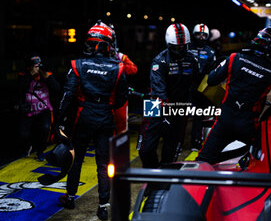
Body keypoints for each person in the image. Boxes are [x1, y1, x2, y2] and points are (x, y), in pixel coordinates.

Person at [56, 21, 128, 220]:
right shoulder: (119, 67)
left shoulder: (77, 64)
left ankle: (70, 197)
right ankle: (103, 206)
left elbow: (67, 95)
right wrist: (107, 106)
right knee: (103, 164)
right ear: (108, 44)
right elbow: (122, 98)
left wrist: (59, 120)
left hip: (82, 116)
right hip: (105, 116)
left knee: (76, 159)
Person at [196, 26, 271, 164]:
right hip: (248, 129)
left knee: (203, 161)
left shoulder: (234, 58)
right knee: (264, 162)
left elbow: (211, 80)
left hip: (223, 123)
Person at [137, 23, 198, 168]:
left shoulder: (192, 60)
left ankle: (164, 176)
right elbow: (159, 89)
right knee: (145, 149)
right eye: (177, 47)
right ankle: (152, 171)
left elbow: (196, 85)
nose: (181, 50)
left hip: (179, 107)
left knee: (171, 152)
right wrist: (166, 113)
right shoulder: (159, 61)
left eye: (184, 46)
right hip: (155, 105)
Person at [17, 54, 60, 161]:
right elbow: (18, 89)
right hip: (28, 110)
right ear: (29, 67)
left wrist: (48, 77)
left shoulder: (45, 74)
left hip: (44, 109)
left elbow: (57, 89)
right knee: (23, 134)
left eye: (39, 65)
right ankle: (27, 147)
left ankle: (40, 151)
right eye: (35, 66)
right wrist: (30, 76)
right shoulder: (24, 75)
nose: (38, 68)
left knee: (45, 129)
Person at [189, 23, 216, 151]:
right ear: (194, 35)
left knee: (198, 116)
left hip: (200, 89)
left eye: (203, 35)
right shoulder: (186, 48)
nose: (201, 37)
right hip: (186, 86)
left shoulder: (211, 52)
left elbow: (212, 71)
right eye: (198, 34)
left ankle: (195, 142)